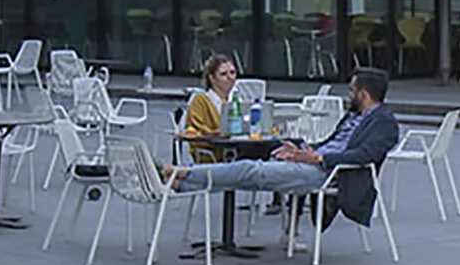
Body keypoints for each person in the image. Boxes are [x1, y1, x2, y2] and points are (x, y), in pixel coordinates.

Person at [166, 66, 400, 230]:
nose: (349, 95)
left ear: (364, 94)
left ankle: (182, 174)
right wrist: (302, 149)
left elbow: (365, 155)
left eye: (352, 91)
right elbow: (331, 143)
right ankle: (181, 181)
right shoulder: (354, 115)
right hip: (315, 162)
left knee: (252, 171)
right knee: (256, 168)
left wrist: (317, 159)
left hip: (330, 175)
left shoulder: (384, 122)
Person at [180, 51, 243, 153]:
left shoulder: (237, 99)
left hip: (238, 148)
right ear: (212, 78)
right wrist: (216, 134)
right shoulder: (200, 100)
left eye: (232, 72)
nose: (230, 77)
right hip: (213, 153)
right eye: (223, 74)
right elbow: (195, 131)